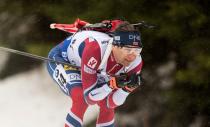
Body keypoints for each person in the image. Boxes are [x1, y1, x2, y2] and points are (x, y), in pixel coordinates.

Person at [47, 19, 143, 127]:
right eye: (128, 50)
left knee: (106, 107)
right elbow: (90, 98)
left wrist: (126, 89)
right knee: (81, 98)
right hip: (62, 58)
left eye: (137, 50)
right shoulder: (95, 49)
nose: (132, 56)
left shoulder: (136, 62)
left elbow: (110, 103)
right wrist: (111, 85)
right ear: (115, 46)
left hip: (93, 67)